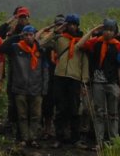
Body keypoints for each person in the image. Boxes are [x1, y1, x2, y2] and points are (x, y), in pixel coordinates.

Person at [37, 14, 91, 148]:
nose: (71, 27)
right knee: (60, 108)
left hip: (75, 78)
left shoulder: (82, 41)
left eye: (74, 24)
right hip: (60, 76)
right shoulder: (60, 39)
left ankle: (75, 139)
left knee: (74, 108)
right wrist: (55, 30)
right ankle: (59, 137)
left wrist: (84, 81)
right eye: (69, 24)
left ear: (77, 26)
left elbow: (85, 62)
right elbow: (41, 43)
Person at [0, 21, 43, 146]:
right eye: (26, 35)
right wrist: (17, 36)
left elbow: (44, 70)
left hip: (36, 87)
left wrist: (43, 88)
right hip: (20, 88)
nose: (28, 37)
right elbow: (2, 48)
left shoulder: (40, 49)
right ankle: (24, 138)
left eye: (31, 35)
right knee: (22, 115)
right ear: (22, 36)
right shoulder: (16, 48)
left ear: (35, 35)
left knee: (36, 115)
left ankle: (33, 138)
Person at [80, 19, 120, 146]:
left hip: (112, 82)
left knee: (113, 113)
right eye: (106, 29)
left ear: (115, 32)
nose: (108, 32)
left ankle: (114, 140)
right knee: (99, 112)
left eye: (111, 30)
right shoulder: (95, 42)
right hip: (97, 83)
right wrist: (92, 31)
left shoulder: (118, 45)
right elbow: (81, 44)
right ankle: (100, 141)